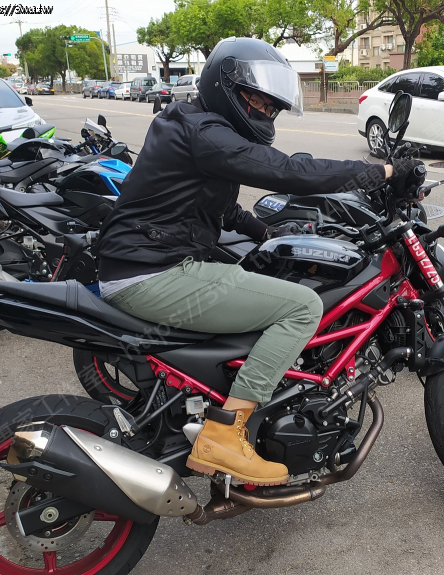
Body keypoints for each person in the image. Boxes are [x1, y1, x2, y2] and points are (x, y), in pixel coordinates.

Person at [97, 37, 424, 486]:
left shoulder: (190, 124)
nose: (266, 111)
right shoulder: (206, 132)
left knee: (255, 273)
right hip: (153, 272)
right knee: (302, 307)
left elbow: (213, 205)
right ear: (224, 86)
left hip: (142, 263)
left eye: (272, 106)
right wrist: (382, 172)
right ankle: (225, 436)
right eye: (257, 100)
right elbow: (286, 170)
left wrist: (265, 232)